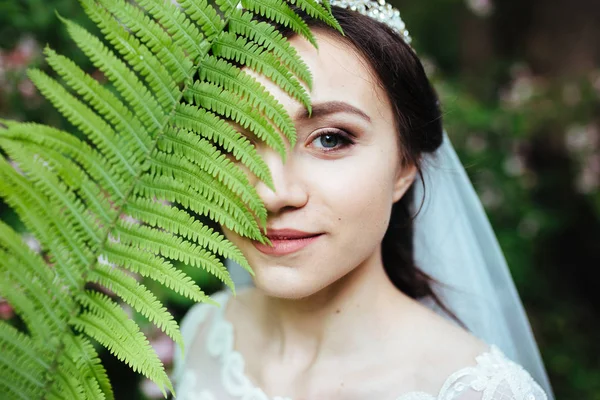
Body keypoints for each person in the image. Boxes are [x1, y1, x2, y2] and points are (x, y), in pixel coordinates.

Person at [172, 2, 554, 399]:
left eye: (330, 139)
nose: (272, 193)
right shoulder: (205, 330)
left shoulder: (478, 391)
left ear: (405, 165)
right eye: (235, 143)